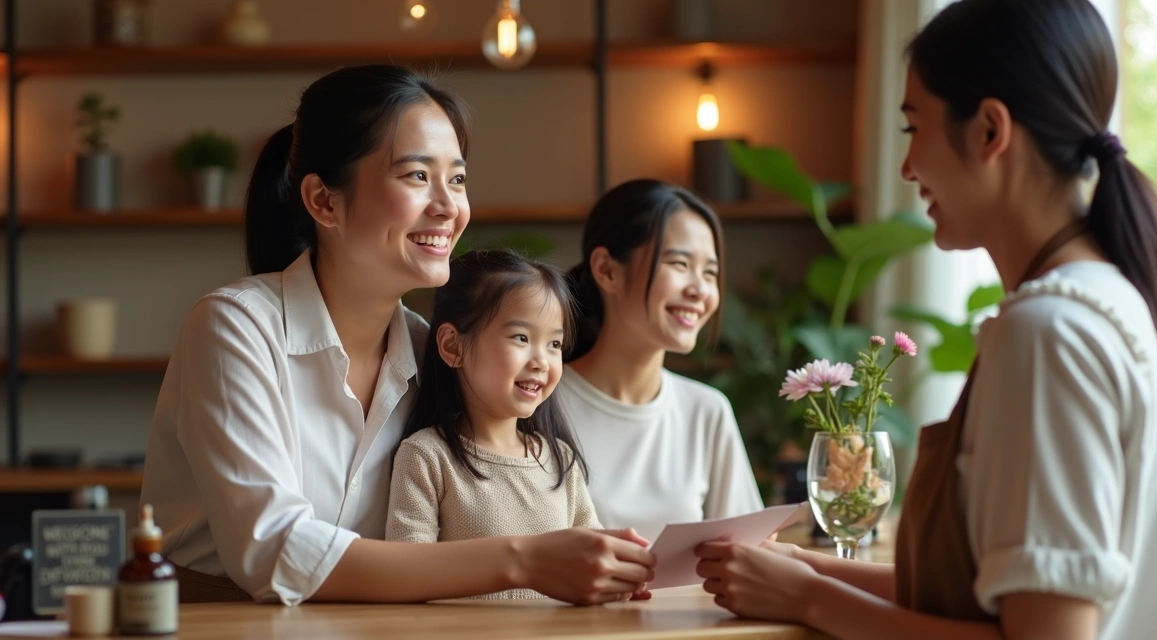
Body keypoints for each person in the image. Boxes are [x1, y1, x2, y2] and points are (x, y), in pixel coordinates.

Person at [694, 1, 1157, 638]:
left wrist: (811, 602)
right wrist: (806, 572)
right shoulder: (1100, 300)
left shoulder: (1049, 333)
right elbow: (994, 597)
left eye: (915, 129)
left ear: (990, 131)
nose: (908, 168)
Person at [140, 64, 654, 606]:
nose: (448, 207)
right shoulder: (235, 327)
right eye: (416, 176)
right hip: (220, 624)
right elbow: (274, 550)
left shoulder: (430, 346)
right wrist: (524, 559)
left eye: (456, 178)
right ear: (323, 201)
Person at [386, 250, 603, 600]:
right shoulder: (426, 456)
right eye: (521, 338)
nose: (542, 361)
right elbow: (406, 573)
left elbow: (595, 556)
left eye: (554, 344)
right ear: (452, 345)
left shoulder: (561, 459)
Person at [563, 179, 764, 542]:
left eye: (710, 273)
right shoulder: (537, 404)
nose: (700, 290)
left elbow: (744, 555)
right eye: (679, 263)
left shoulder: (707, 412)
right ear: (607, 270)